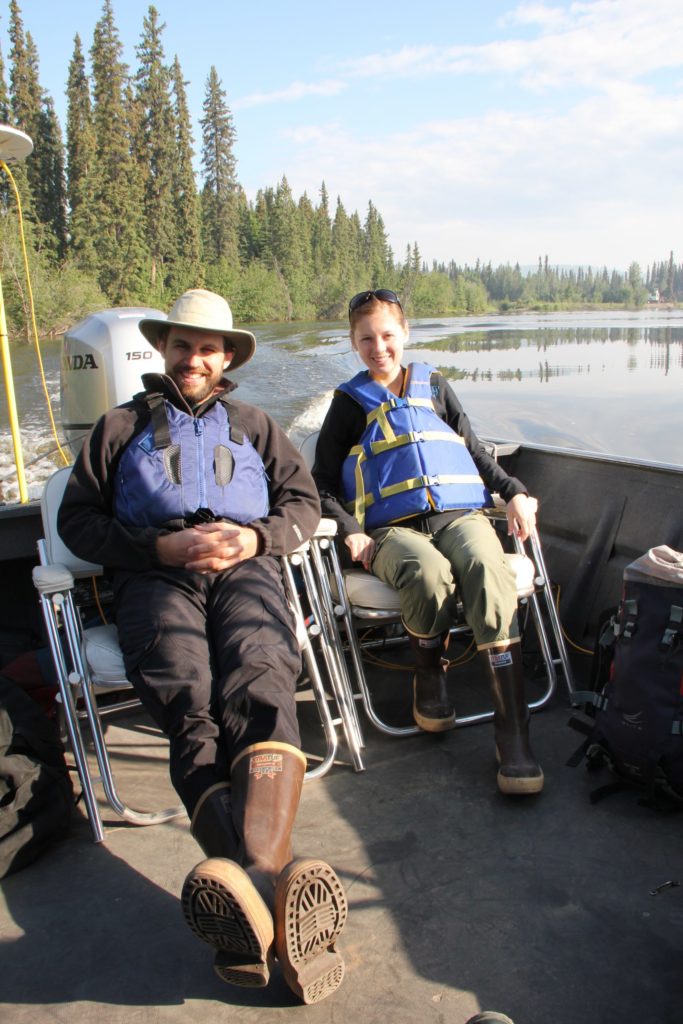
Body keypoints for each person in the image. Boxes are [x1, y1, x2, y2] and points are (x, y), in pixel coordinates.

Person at [57, 288, 347, 1004]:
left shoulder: (252, 423)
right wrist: (158, 544)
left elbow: (303, 505)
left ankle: (250, 898)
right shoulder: (118, 426)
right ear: (163, 350)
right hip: (156, 579)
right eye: (181, 345)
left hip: (246, 570)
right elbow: (78, 522)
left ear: (225, 358)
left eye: (207, 347)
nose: (193, 357)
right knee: (187, 695)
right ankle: (275, 897)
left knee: (261, 676)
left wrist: (253, 537)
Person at [313, 288, 543, 795]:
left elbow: (476, 452)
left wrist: (516, 493)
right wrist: (350, 533)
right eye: (366, 339)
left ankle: (513, 734)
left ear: (405, 334)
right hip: (392, 530)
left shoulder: (435, 386)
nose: (379, 348)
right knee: (428, 572)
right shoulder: (348, 404)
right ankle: (429, 676)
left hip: (460, 515)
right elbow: (322, 483)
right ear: (353, 343)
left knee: (488, 566)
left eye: (387, 336)